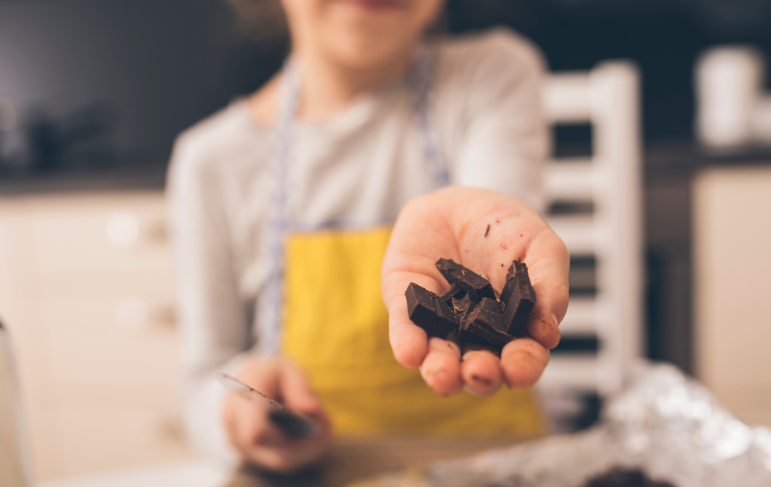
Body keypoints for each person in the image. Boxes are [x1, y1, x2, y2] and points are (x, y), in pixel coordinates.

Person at [167, 0, 569, 474]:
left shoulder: (490, 75)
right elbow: (201, 380)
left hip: (494, 461)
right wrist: (237, 407)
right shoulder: (211, 162)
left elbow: (497, 225)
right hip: (322, 471)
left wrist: (484, 230)